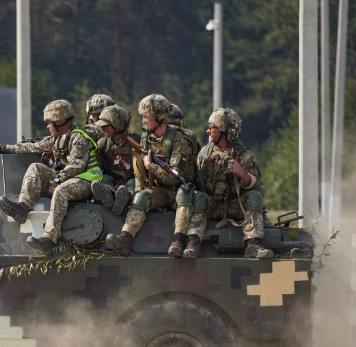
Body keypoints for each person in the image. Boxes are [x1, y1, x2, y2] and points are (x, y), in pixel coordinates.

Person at [0, 99, 103, 253]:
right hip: (70, 178)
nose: (48, 126)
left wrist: (57, 180)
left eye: (50, 122)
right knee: (36, 168)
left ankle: (49, 238)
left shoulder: (78, 137)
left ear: (60, 121)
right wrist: (3, 148)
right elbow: (31, 147)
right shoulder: (59, 138)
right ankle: (23, 207)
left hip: (87, 179)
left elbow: (77, 166)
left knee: (61, 191)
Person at [177, 107, 273, 260]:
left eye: (212, 128)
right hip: (212, 205)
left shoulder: (244, 156)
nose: (208, 131)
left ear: (226, 132)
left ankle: (254, 244)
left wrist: (242, 174)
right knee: (198, 197)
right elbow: (193, 176)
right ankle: (193, 242)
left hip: (235, 206)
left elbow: (260, 191)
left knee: (254, 196)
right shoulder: (205, 153)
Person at [105, 94, 194, 256]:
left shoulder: (179, 140)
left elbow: (173, 178)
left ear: (159, 118)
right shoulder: (147, 138)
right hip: (161, 191)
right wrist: (139, 189)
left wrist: (150, 166)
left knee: (183, 194)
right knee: (141, 197)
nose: (143, 120)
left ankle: (178, 240)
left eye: (146, 117)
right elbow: (139, 170)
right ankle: (125, 239)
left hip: (179, 192)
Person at [89, 104, 134, 216]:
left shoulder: (135, 142)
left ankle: (124, 197)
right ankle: (109, 195)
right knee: (103, 180)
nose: (102, 129)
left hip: (130, 181)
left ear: (117, 126)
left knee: (132, 184)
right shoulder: (104, 143)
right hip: (111, 180)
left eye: (105, 126)